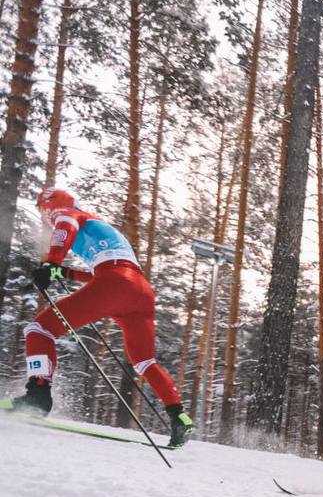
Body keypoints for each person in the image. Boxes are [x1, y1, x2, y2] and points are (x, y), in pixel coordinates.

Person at [4, 188, 193, 448]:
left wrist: (52, 263)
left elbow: (66, 229)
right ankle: (179, 416)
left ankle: (37, 394)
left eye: (42, 210)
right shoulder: (100, 227)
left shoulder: (68, 214)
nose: (45, 218)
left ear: (50, 205)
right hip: (139, 289)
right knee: (144, 361)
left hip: (115, 283)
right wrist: (63, 273)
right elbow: (106, 272)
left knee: (39, 330)